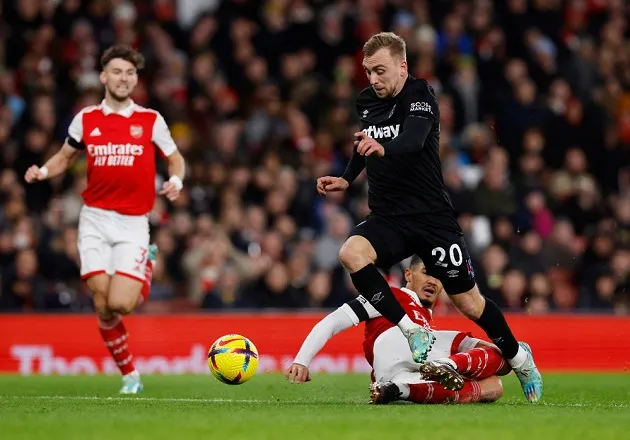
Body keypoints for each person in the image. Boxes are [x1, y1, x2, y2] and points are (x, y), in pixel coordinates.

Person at [316, 32, 542, 402]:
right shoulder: (367, 101)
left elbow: (414, 139)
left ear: (402, 67)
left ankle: (520, 359)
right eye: (368, 72)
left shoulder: (421, 95)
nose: (373, 79)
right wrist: (346, 177)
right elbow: (365, 141)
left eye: (380, 71)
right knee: (351, 254)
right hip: (389, 217)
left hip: (432, 219)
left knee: (469, 303)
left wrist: (382, 147)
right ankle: (411, 329)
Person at [24, 45, 185, 394]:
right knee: (101, 301)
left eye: (129, 73)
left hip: (133, 222)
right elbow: (65, 157)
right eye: (117, 72)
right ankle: (130, 376)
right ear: (103, 76)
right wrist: (42, 170)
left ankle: (147, 263)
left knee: (121, 304)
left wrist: (176, 180)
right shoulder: (86, 119)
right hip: (95, 219)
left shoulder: (150, 120)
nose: (123, 78)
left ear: (136, 79)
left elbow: (175, 159)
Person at [286, 256, 509, 405]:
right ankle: (447, 366)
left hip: (404, 375)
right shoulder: (388, 296)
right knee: (502, 356)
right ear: (409, 275)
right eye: (425, 272)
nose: (432, 280)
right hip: (392, 349)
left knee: (494, 387)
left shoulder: (426, 318)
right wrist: (302, 360)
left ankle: (398, 390)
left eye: (438, 276)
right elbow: (333, 321)